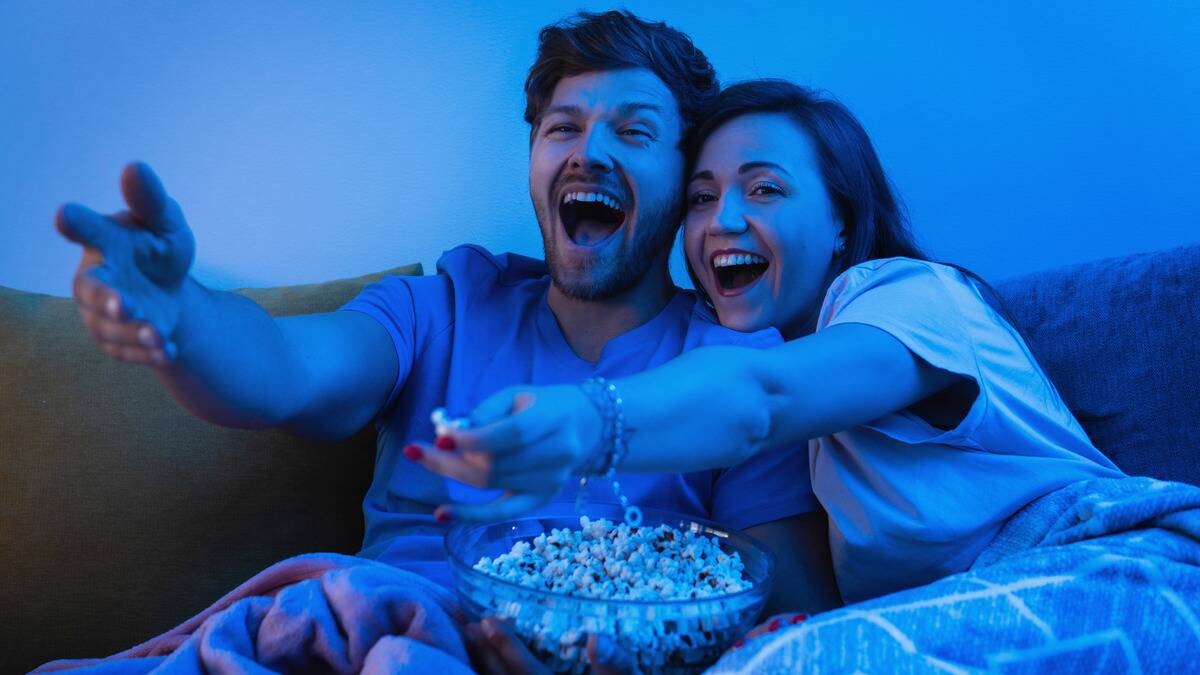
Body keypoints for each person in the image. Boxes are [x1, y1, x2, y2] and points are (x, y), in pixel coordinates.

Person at [45, 13, 840, 674]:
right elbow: (282, 371)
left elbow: (795, 622)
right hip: (370, 633)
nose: (589, 152)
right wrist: (179, 317)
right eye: (564, 127)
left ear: (686, 179)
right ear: (534, 157)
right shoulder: (444, 306)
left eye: (634, 132)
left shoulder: (738, 376)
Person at [418, 80, 1200, 671]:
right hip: (966, 607)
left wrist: (583, 424)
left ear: (840, 223)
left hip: (1128, 565)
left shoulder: (908, 296)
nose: (722, 220)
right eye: (701, 196)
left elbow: (761, 401)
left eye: (764, 189)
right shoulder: (801, 418)